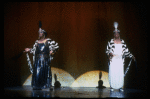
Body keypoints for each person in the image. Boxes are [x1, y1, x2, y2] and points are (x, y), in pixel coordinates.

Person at [106, 22, 135, 91]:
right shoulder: (111, 41)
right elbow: (107, 51)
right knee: (113, 72)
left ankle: (120, 86)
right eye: (115, 33)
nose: (116, 34)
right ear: (114, 34)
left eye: (117, 33)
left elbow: (126, 51)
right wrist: (110, 54)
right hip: (113, 59)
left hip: (120, 59)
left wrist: (131, 56)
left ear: (119, 34)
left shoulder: (122, 41)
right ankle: (112, 86)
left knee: (119, 73)